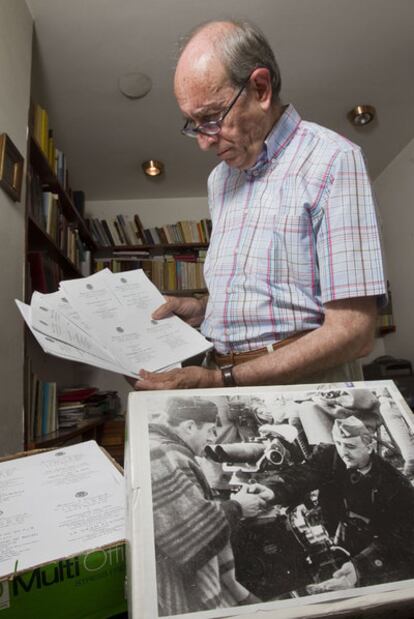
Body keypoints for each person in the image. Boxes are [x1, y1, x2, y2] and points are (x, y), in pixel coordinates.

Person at [134, 19, 386, 392]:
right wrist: (204, 309)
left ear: (261, 88)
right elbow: (272, 296)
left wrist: (223, 380)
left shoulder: (333, 159)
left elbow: (354, 332)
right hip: (220, 376)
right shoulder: (219, 180)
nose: (203, 142)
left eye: (212, 118)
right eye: (193, 124)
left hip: (302, 388)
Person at [258, 416, 414, 590]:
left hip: (373, 546)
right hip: (337, 534)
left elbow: (400, 536)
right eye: (339, 444)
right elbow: (303, 474)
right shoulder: (330, 456)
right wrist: (273, 490)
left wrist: (360, 566)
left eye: (350, 446)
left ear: (369, 447)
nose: (343, 452)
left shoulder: (394, 484)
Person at [150, 396, 264, 615]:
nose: (213, 438)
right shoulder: (163, 454)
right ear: (190, 426)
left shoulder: (158, 443)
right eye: (211, 430)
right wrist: (238, 507)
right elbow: (188, 535)